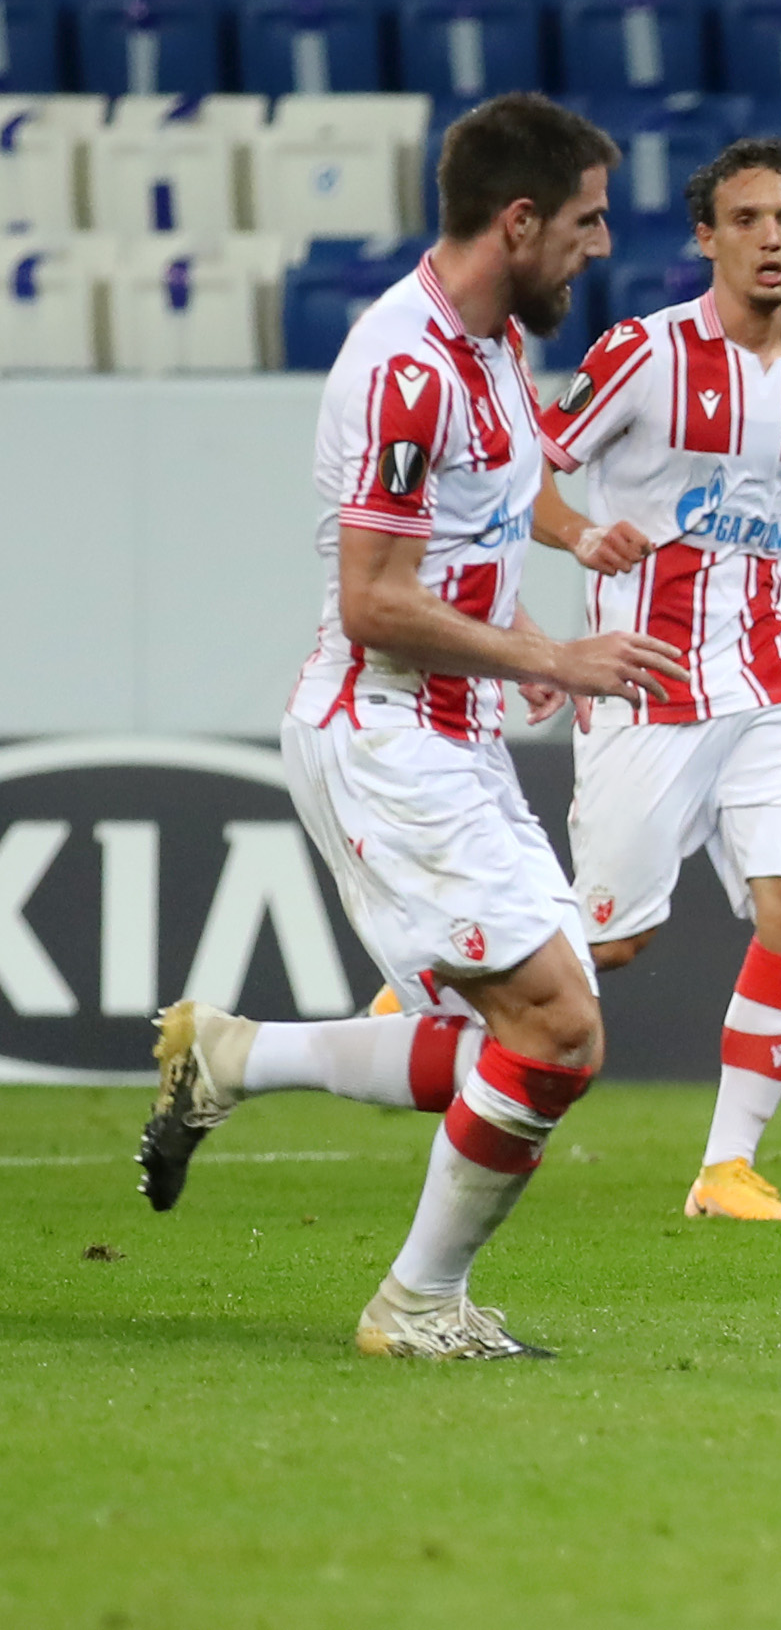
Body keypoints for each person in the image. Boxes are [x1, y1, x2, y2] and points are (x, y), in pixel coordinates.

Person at [138, 92, 685, 1361]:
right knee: (555, 1030)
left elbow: (477, 527)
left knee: (533, 1021)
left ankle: (231, 1052)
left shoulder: (494, 346)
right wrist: (552, 651)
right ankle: (416, 1302)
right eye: (587, 222)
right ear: (519, 219)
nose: (598, 247)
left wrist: (519, 645)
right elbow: (376, 603)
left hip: (457, 728)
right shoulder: (405, 365)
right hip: (380, 734)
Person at [523, 137, 781, 1222]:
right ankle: (425, 990)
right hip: (645, 679)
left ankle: (726, 1167)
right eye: (745, 220)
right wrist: (577, 540)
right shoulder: (644, 354)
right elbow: (532, 474)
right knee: (611, 940)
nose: (769, 239)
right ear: (705, 238)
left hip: (771, 682)